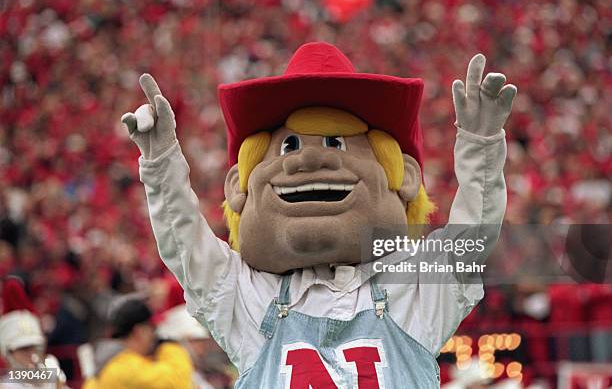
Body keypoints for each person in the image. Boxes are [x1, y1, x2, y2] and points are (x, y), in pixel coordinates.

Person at [121, 41, 516, 387]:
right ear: (238, 186)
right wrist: (161, 164)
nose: (309, 158)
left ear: (403, 177)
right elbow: (185, 246)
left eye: (335, 143)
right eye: (289, 146)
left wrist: (481, 145)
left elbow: (471, 239)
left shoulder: (410, 287)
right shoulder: (251, 297)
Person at [83, 298, 193, 389]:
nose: (155, 334)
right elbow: (179, 383)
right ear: (140, 331)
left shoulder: (112, 360)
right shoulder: (124, 367)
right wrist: (170, 345)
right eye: (152, 328)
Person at [0, 278, 67, 389]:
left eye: (35, 347)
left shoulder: (52, 375)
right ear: (8, 353)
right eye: (23, 348)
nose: (31, 354)